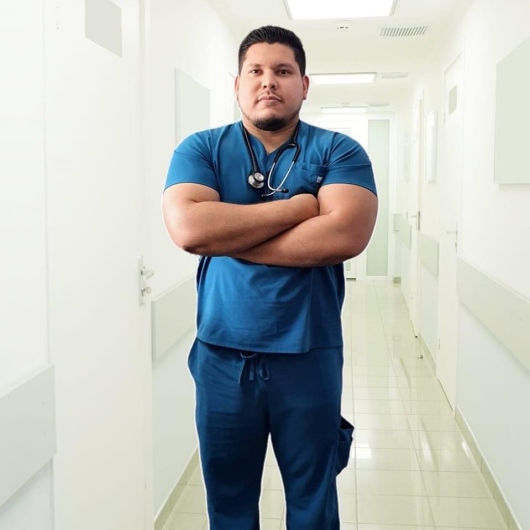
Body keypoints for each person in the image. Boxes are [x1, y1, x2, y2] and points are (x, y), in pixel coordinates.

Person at [162, 25, 378, 530]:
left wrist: (229, 235)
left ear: (304, 84)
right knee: (229, 503)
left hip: (308, 355)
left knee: (312, 503)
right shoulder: (202, 149)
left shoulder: (339, 152)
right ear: (237, 84)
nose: (268, 81)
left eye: (283, 71)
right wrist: (300, 208)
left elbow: (345, 235)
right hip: (222, 358)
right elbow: (190, 229)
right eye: (255, 71)